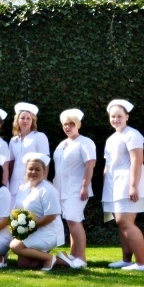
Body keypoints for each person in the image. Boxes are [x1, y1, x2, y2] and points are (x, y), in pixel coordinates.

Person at [102, 99, 144, 271]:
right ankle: (126, 260)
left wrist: (133, 186)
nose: (116, 119)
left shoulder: (133, 134)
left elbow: (137, 161)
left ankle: (142, 263)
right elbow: (108, 164)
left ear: (127, 117)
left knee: (125, 222)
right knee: (121, 223)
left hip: (128, 182)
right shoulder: (112, 138)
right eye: (113, 116)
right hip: (114, 185)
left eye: (119, 116)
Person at [9, 153, 71, 270]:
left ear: (44, 172)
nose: (33, 172)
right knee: (24, 264)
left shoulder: (48, 190)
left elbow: (51, 216)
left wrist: (30, 228)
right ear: (25, 171)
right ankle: (59, 259)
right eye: (30, 169)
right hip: (32, 231)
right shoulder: (22, 188)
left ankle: (49, 259)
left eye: (37, 169)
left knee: (15, 246)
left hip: (48, 232)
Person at [52, 109, 96, 268]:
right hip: (61, 189)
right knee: (70, 221)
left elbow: (90, 164)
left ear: (78, 124)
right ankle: (73, 254)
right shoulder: (62, 144)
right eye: (65, 124)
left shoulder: (85, 142)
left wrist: (84, 186)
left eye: (71, 124)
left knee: (74, 220)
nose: (68, 127)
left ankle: (81, 258)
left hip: (77, 190)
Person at [7, 102, 49, 195]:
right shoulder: (13, 140)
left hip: (32, 183)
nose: (25, 121)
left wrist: (43, 183)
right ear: (17, 120)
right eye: (22, 118)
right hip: (14, 185)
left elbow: (45, 161)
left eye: (28, 118)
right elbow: (11, 163)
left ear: (32, 121)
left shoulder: (39, 136)